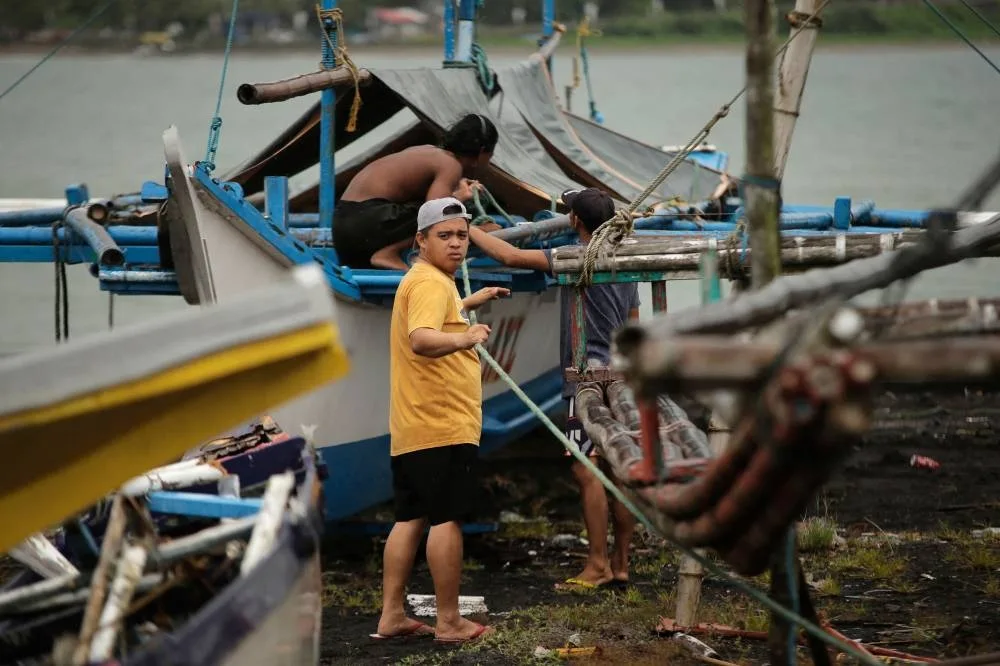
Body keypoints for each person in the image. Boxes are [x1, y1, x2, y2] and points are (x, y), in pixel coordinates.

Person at [467, 187, 639, 590]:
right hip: (623, 375)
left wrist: (465, 227)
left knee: (585, 468)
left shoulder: (573, 257)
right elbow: (634, 321)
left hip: (585, 380)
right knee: (619, 468)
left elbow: (508, 256)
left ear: (575, 222)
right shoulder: (628, 259)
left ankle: (595, 565)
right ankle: (620, 563)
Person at [375, 197, 509, 643]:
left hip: (413, 424)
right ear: (421, 239)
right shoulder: (431, 284)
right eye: (444, 236)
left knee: (410, 517)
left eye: (462, 236)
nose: (456, 245)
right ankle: (449, 622)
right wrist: (468, 337)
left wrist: (470, 302)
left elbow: (436, 318)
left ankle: (391, 615)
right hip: (441, 422)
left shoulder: (427, 280)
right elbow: (423, 339)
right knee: (446, 519)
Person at [334, 114, 500, 271]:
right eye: (490, 156)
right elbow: (436, 213)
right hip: (366, 220)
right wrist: (479, 227)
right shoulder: (451, 165)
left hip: (342, 227)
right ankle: (387, 253)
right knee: (442, 213)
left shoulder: (428, 151)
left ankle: (386, 252)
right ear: (481, 152)